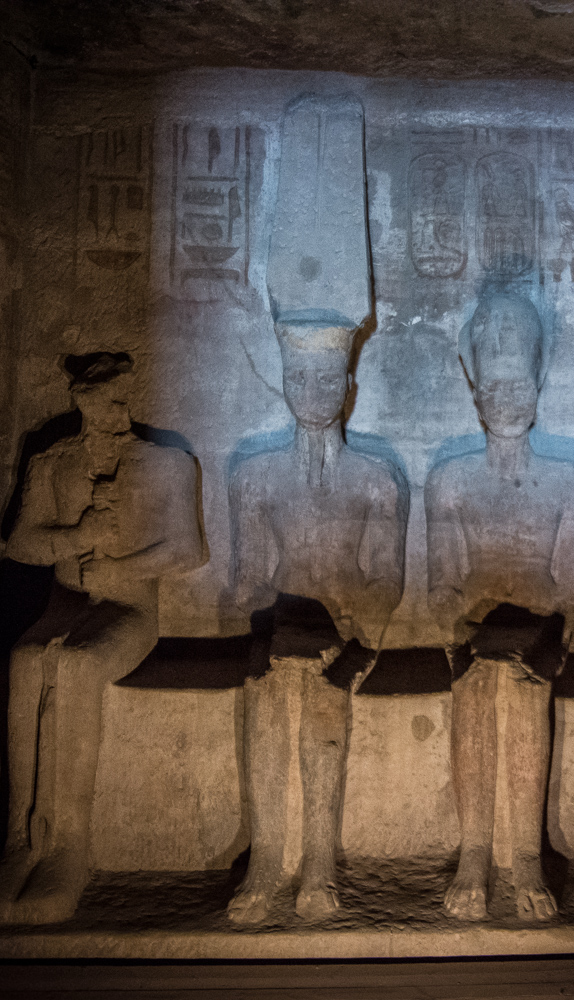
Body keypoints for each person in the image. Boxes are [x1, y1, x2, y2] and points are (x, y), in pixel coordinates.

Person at [0, 352, 206, 925]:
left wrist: (124, 569)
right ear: (82, 402)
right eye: (98, 400)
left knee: (76, 667)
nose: (111, 410)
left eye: (119, 398)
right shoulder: (55, 463)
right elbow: (22, 543)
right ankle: (22, 841)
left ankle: (67, 841)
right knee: (28, 659)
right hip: (66, 605)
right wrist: (75, 537)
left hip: (130, 610)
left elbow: (190, 550)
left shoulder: (164, 464)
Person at [227, 322, 407, 923]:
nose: (313, 389)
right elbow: (248, 577)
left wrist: (358, 637)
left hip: (345, 631)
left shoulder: (375, 479)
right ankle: (267, 857)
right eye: (299, 376)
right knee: (269, 704)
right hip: (282, 629)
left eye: (327, 377)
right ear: (283, 381)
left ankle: (320, 862)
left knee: (323, 706)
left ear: (349, 386)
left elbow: (385, 580)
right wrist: (262, 626)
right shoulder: (255, 475)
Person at [425, 293, 574, 921]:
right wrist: (471, 621)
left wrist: (536, 623)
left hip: (540, 638)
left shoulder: (570, 483)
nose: (504, 398)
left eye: (516, 383)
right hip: (474, 638)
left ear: (539, 383)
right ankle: (475, 853)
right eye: (492, 386)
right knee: (474, 683)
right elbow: (442, 588)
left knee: (524, 687)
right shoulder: (450, 480)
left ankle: (525, 853)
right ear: (475, 395)